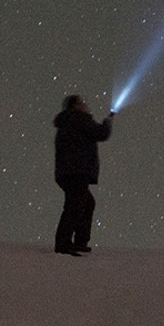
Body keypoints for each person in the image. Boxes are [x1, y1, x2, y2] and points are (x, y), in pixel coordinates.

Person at [52, 93, 114, 255]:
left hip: (67, 172)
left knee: (85, 203)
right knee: (76, 205)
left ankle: (78, 242)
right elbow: (101, 133)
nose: (85, 104)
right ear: (75, 106)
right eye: (81, 102)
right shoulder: (79, 118)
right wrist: (107, 123)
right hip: (77, 171)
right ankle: (64, 244)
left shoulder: (67, 122)